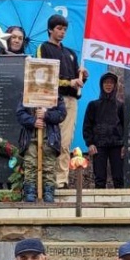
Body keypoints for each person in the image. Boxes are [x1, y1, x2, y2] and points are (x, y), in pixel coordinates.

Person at [37, 14, 88, 188]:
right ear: (50, 29)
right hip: (51, 100)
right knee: (50, 140)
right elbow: (43, 78)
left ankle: (61, 180)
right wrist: (69, 82)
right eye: (59, 29)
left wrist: (82, 78)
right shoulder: (43, 48)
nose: (62, 32)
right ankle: (46, 178)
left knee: (66, 142)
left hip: (70, 101)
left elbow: (77, 84)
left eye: (65, 29)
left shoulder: (71, 53)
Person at [17, 93, 67, 203]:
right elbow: (20, 113)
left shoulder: (55, 95)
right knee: (30, 165)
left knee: (49, 166)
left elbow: (61, 114)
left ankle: (48, 191)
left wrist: (46, 115)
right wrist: (33, 121)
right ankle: (30, 191)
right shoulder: (27, 94)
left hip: (50, 139)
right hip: (30, 139)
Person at [82, 72, 125, 188]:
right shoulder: (93, 105)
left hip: (117, 145)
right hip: (98, 146)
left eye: (111, 83)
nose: (108, 85)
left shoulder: (121, 106)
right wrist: (90, 143)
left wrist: (125, 145)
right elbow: (87, 126)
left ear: (115, 85)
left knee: (119, 178)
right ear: (101, 85)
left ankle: (120, 204)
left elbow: (125, 126)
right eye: (106, 82)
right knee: (99, 178)